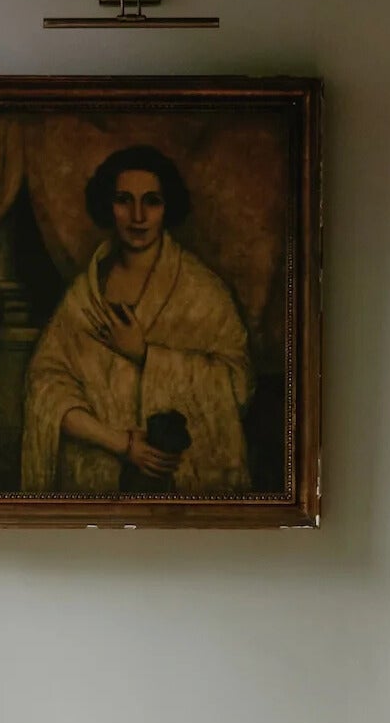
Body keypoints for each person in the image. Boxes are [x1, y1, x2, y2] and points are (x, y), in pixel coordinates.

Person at [21, 145, 254, 494]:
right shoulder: (86, 295)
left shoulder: (201, 291)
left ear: (167, 207)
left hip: (176, 485)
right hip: (93, 484)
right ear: (108, 206)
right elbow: (44, 386)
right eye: (123, 200)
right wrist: (121, 444)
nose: (138, 216)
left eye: (152, 201)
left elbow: (237, 385)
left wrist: (147, 354)